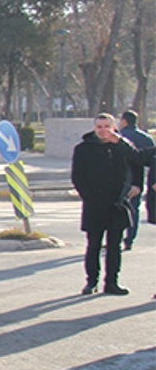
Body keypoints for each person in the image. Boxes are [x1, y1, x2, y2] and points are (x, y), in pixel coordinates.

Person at [71, 113, 145, 296]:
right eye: (99, 127)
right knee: (94, 245)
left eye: (107, 127)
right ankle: (91, 282)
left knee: (114, 246)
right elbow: (77, 176)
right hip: (94, 203)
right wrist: (87, 195)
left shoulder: (122, 147)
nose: (103, 131)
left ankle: (112, 282)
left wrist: (136, 186)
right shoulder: (83, 149)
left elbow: (137, 162)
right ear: (94, 128)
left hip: (118, 202)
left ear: (114, 128)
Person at [117, 110, 154, 249]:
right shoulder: (147, 138)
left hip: (121, 178)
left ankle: (116, 239)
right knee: (134, 209)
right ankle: (130, 239)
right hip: (139, 179)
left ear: (124, 121)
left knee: (118, 209)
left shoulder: (120, 138)